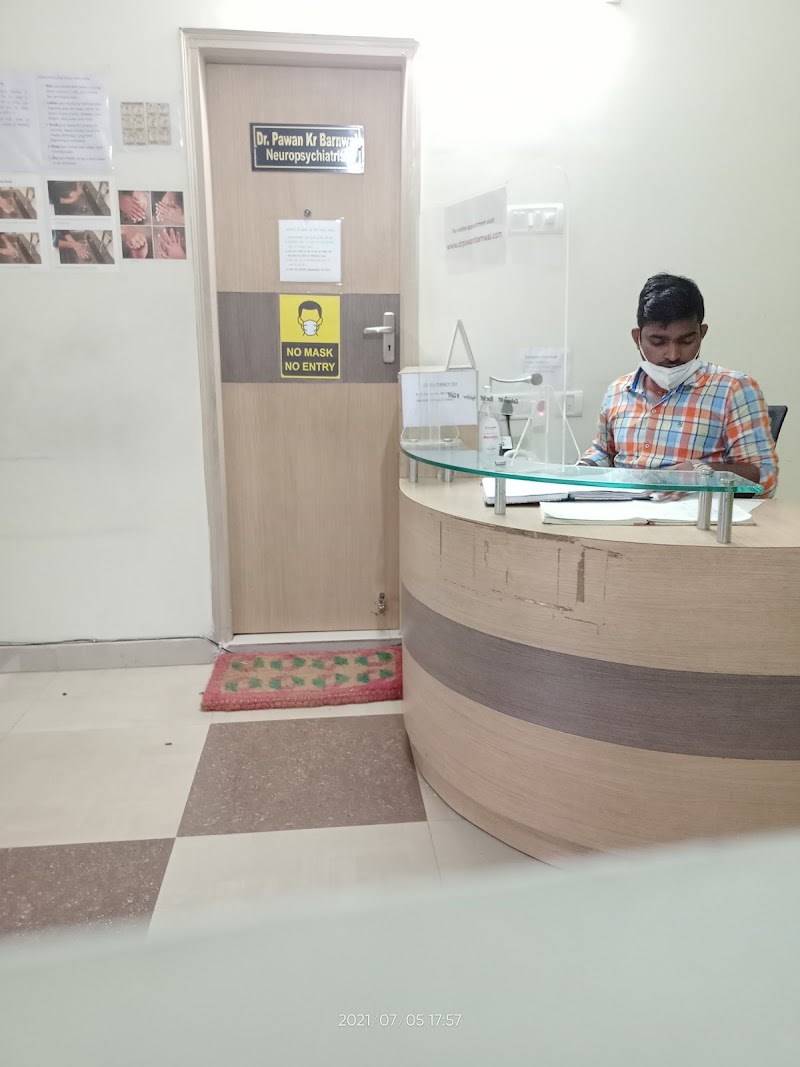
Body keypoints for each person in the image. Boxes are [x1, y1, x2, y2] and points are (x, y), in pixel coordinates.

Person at [580, 273, 778, 495]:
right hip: (625, 509)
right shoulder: (618, 390)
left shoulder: (734, 389)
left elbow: (765, 476)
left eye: (686, 341)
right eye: (658, 342)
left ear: (702, 334)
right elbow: (603, 454)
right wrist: (580, 470)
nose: (673, 355)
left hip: (695, 513)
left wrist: (700, 473)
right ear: (637, 339)